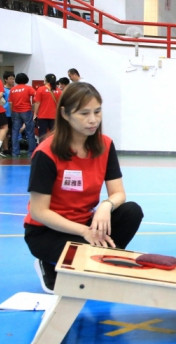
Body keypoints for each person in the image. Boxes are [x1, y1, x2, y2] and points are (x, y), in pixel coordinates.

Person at [24, 82, 144, 294]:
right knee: (88, 252)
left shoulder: (105, 145)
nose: (93, 119)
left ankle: (93, 264)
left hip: (85, 224)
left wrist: (106, 206)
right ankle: (48, 263)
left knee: (131, 211)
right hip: (47, 232)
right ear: (65, 114)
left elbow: (118, 193)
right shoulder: (46, 153)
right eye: (84, 113)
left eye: (97, 112)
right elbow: (39, 212)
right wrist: (84, 232)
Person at [9, 73, 37, 157]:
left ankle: (15, 152)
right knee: (30, 132)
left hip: (15, 111)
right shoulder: (28, 88)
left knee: (15, 132)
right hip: (26, 111)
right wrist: (34, 107)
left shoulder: (13, 89)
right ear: (26, 79)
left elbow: (10, 103)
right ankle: (31, 152)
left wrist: (12, 112)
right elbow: (36, 97)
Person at [34, 74, 62, 138]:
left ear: (45, 80)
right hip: (55, 116)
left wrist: (35, 114)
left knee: (42, 134)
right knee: (54, 134)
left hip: (42, 115)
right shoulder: (59, 91)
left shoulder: (41, 89)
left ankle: (42, 144)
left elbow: (37, 103)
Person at [2, 71, 15, 155]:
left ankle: (13, 148)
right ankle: (5, 148)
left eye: (13, 79)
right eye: (10, 78)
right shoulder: (2, 90)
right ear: (5, 79)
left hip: (14, 113)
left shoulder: (15, 89)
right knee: (5, 131)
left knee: (13, 131)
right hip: (5, 112)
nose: (12, 80)